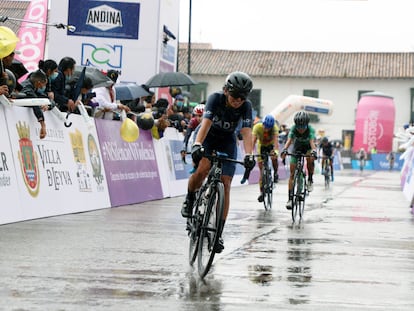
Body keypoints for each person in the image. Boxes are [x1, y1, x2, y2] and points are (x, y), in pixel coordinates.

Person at [180, 71, 256, 253]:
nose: (238, 101)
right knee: (203, 169)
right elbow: (205, 123)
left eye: (242, 97)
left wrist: (249, 154)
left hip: (228, 141)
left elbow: (246, 132)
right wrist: (197, 144)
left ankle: (218, 234)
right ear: (226, 91)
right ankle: (190, 198)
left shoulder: (246, 106)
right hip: (209, 137)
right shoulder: (215, 99)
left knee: (226, 184)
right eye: (235, 96)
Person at [281, 111, 317, 210]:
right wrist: (284, 149)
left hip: (308, 147)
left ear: (307, 125)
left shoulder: (310, 130)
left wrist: (314, 151)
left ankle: (310, 179)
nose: (301, 130)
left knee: (310, 159)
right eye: (298, 127)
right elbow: (289, 140)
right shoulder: (293, 129)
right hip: (297, 148)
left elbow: (312, 142)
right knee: (292, 174)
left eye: (303, 127)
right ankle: (289, 199)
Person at [252, 114, 280, 203]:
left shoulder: (275, 128)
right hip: (262, 146)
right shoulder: (257, 127)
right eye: (265, 126)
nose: (267, 129)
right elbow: (253, 142)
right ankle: (261, 192)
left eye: (269, 128)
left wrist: (275, 152)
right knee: (261, 170)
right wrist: (251, 153)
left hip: (270, 145)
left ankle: (275, 172)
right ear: (262, 123)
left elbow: (276, 142)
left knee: (274, 157)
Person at [20, 70, 50, 139]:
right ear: (38, 83)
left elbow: (47, 99)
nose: (43, 87)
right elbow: (34, 102)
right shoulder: (27, 88)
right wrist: (43, 125)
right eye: (44, 85)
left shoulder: (34, 87)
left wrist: (46, 104)